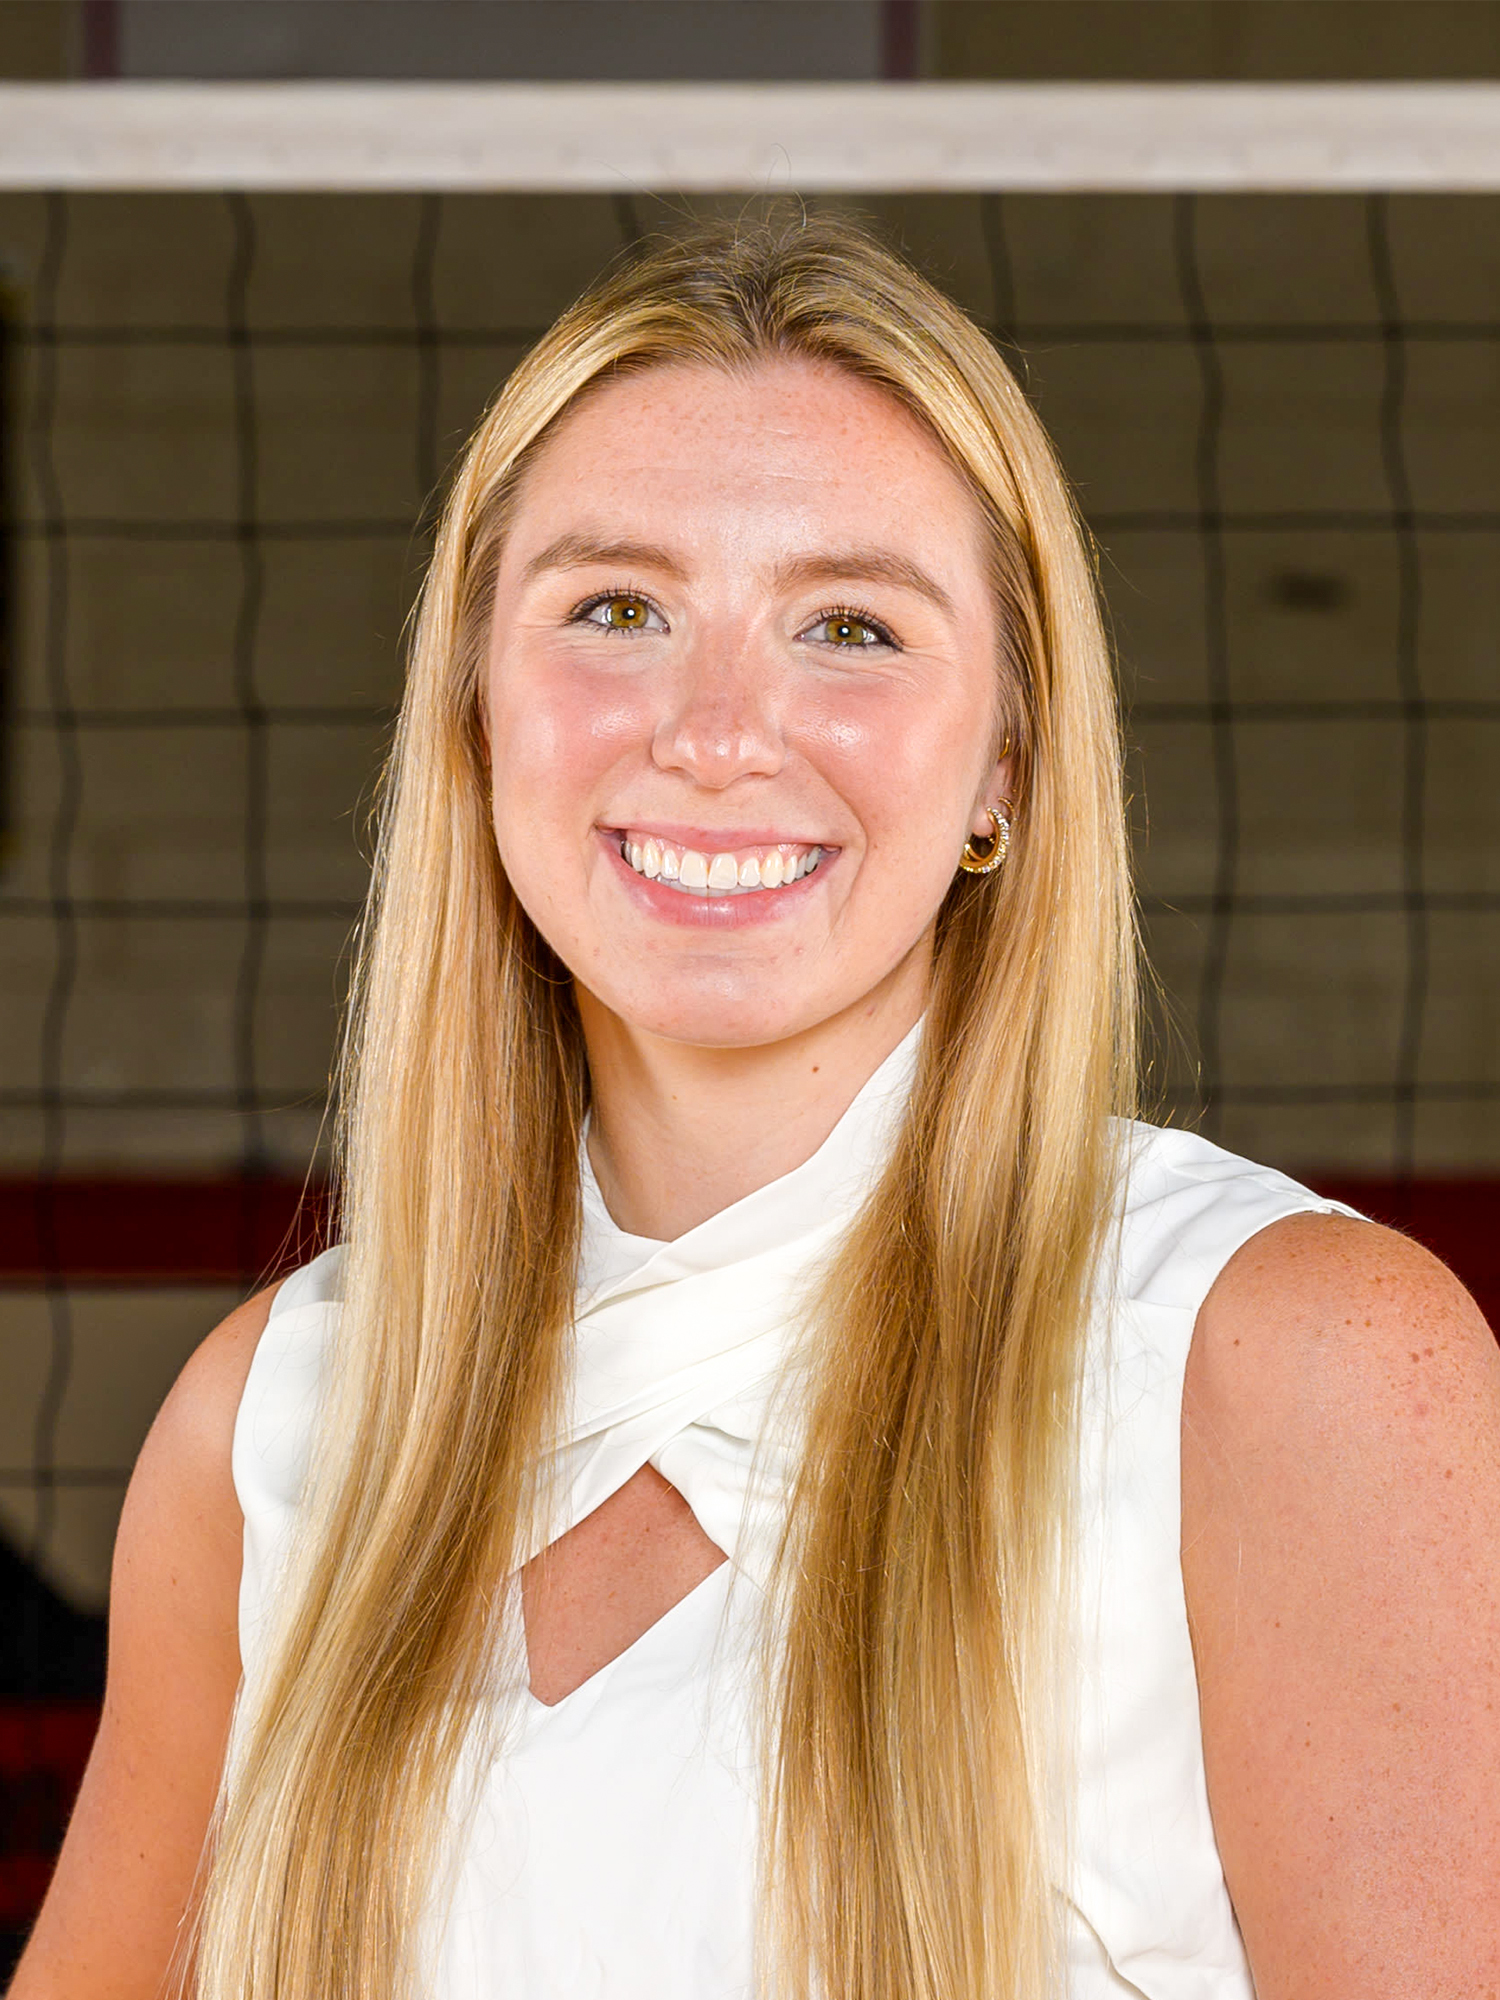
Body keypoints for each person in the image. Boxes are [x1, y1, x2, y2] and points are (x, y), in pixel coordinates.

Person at [11, 215, 1499, 2000]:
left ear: (1003, 765)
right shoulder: (280, 1417)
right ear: (478, 714)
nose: (718, 730)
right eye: (618, 609)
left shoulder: (1283, 1361)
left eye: (850, 626)